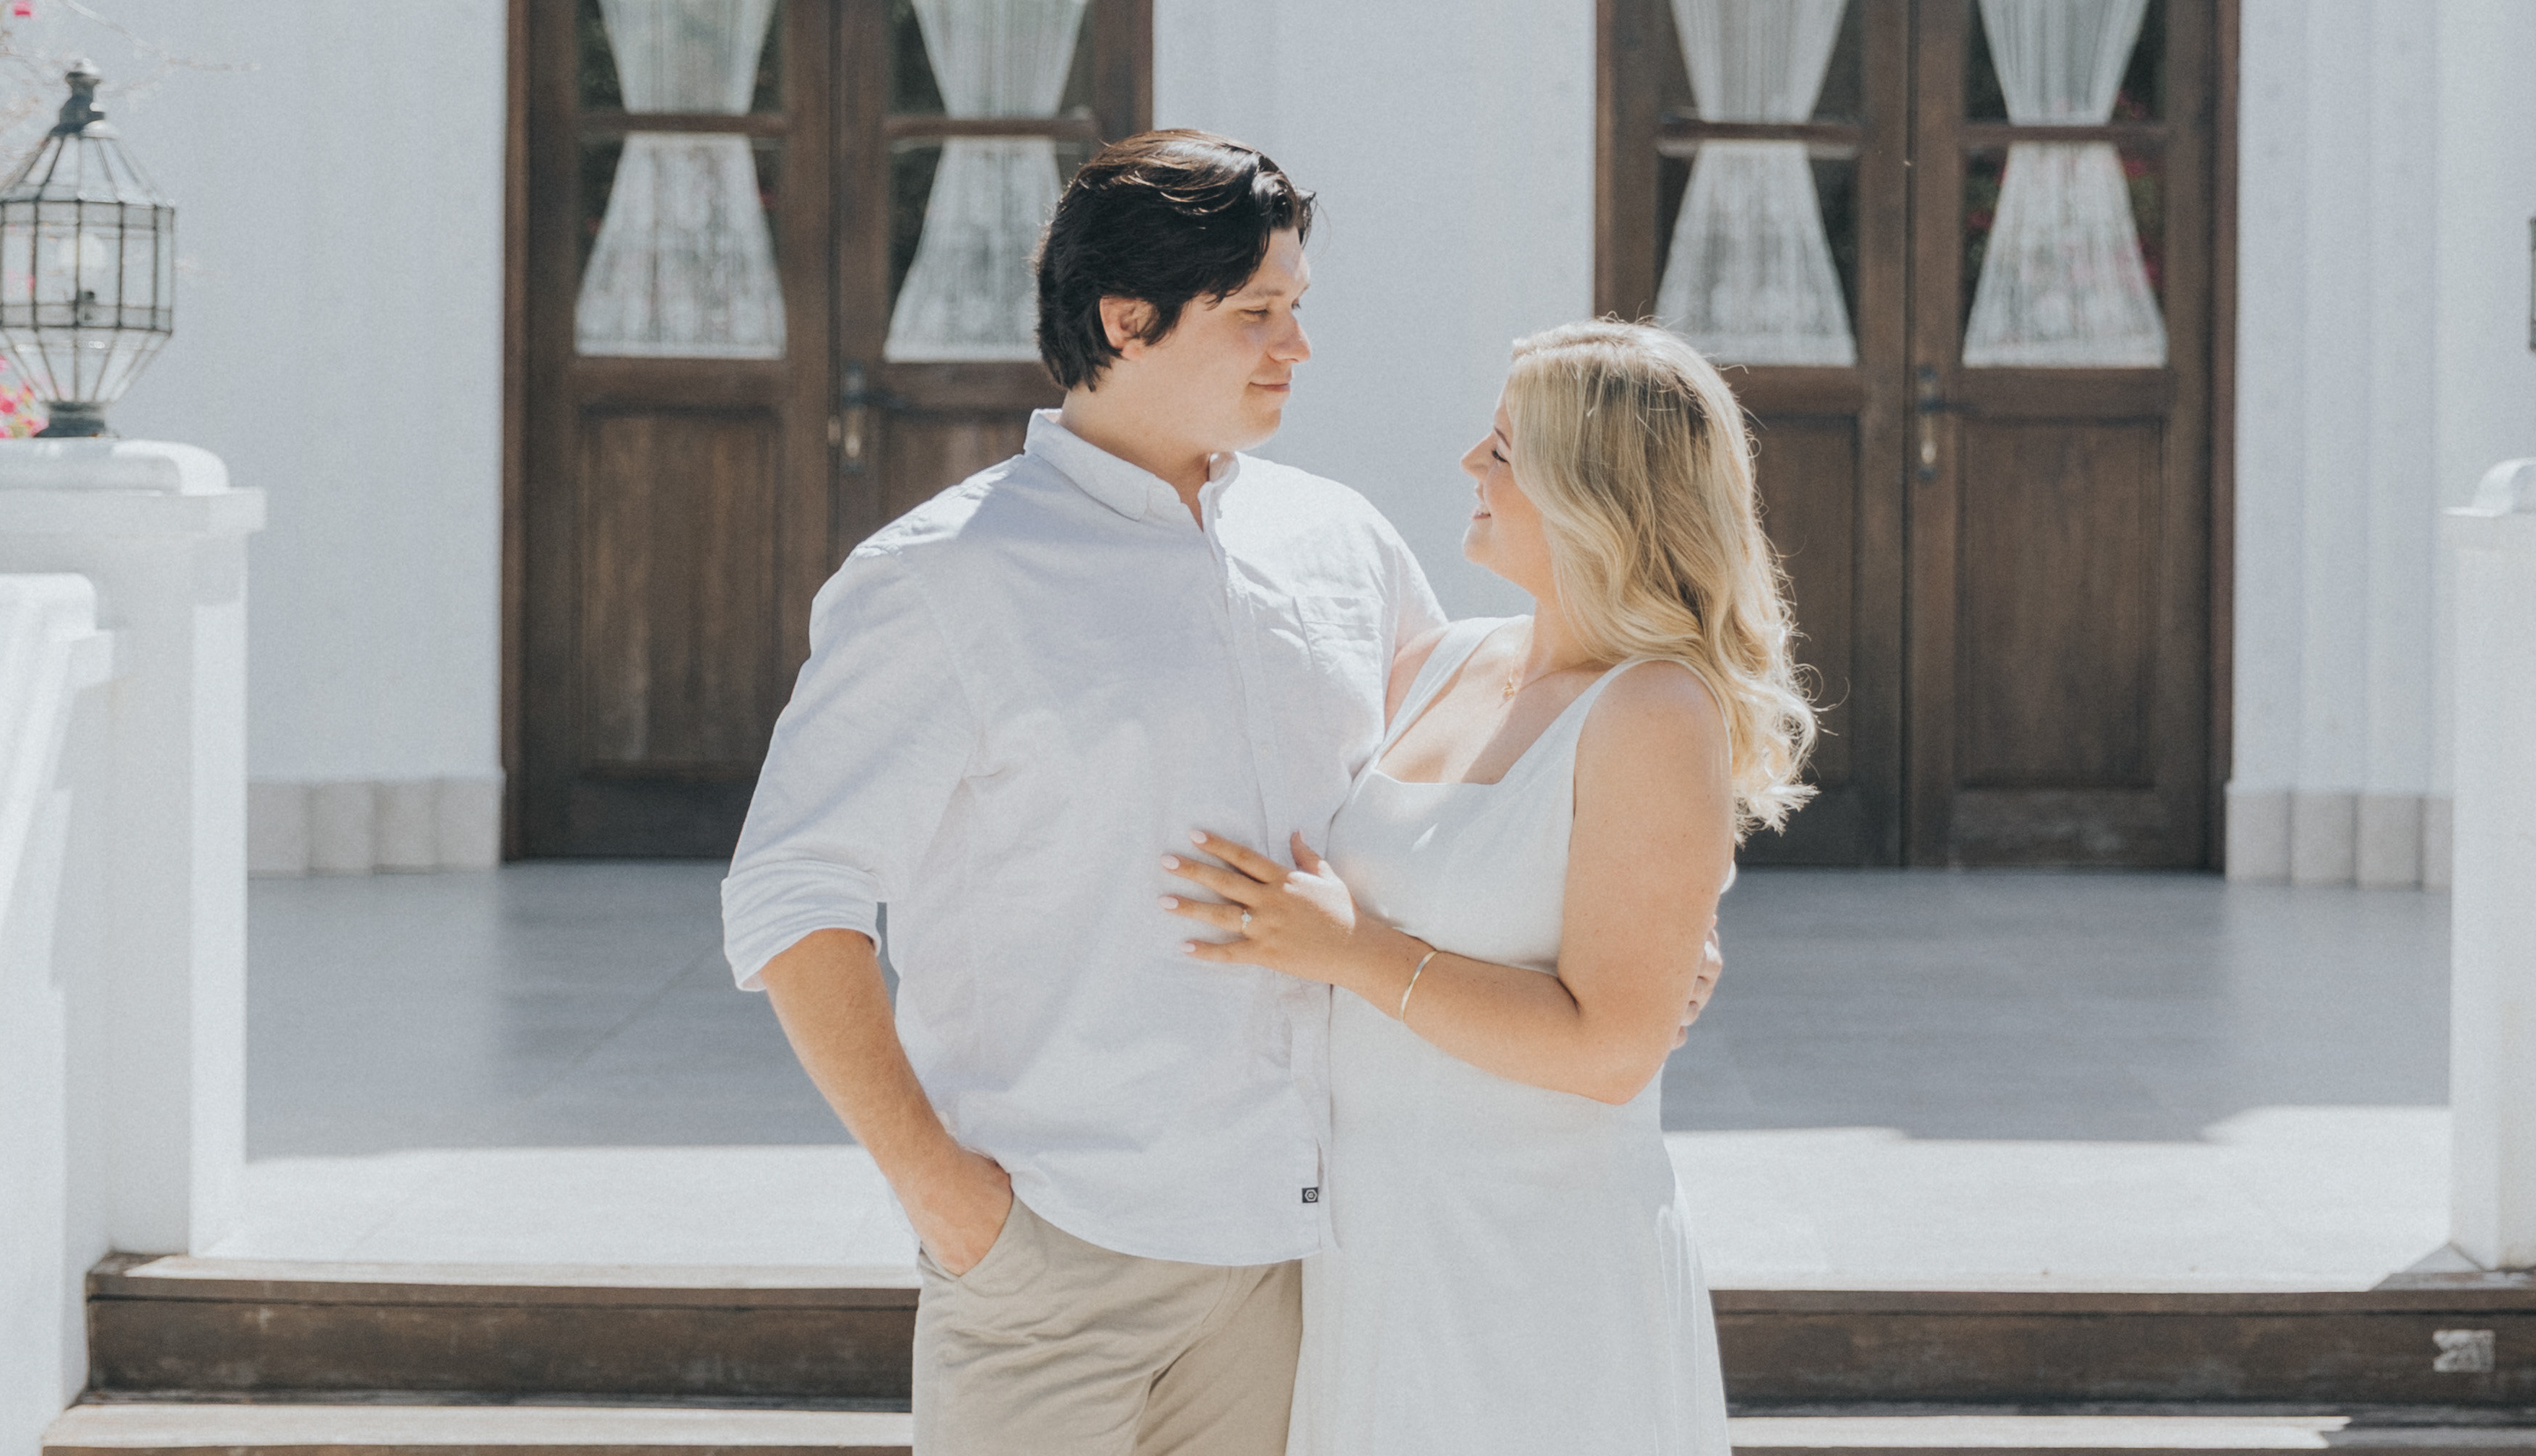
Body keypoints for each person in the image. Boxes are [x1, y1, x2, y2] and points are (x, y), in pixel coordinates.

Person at [720, 131, 1715, 1456]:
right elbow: (793, 894)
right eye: (1255, 313)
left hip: (1301, 1267)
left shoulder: (1339, 542)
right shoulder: (943, 577)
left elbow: (1482, 783)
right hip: (1054, 1259)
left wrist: (1650, 935)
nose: (1295, 347)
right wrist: (951, 1203)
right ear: (1126, 320)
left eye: (1295, 307)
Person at [1165, 320, 1816, 1456]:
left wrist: (1350, 952)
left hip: (1537, 1272)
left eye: (1505, 449)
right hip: (1375, 1252)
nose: (1469, 461)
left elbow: (1609, 1053)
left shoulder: (1653, 710)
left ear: (1593, 494)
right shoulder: (1445, 661)